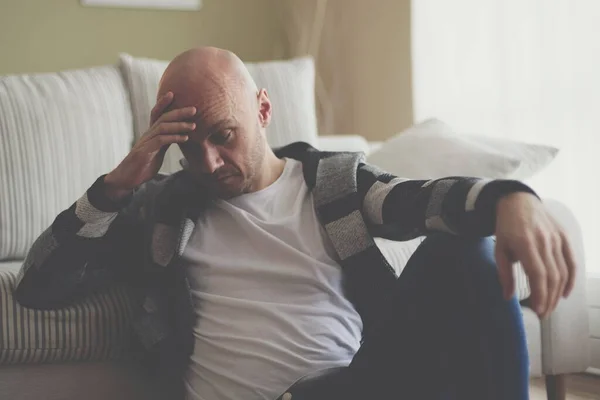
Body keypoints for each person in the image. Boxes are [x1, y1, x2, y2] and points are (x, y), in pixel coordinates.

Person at [15, 47, 576, 400]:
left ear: (262, 111)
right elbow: (40, 285)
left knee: (466, 250)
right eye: (189, 147)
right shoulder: (162, 208)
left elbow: (423, 202)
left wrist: (511, 198)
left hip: (355, 387)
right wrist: (117, 185)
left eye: (222, 135)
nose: (208, 163)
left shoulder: (332, 186)